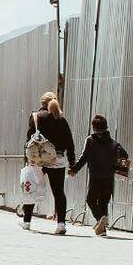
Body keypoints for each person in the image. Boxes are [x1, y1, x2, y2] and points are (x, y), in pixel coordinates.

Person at [21, 91, 76, 234]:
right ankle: (61, 224)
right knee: (58, 192)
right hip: (57, 159)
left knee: (31, 187)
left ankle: (26, 222)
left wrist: (27, 159)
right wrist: (72, 163)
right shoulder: (61, 120)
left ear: (42, 103)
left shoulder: (36, 117)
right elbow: (70, 143)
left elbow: (29, 141)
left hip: (38, 159)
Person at [70, 115, 129, 236]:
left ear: (93, 127)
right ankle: (102, 230)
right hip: (109, 177)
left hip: (95, 177)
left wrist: (74, 170)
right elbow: (125, 155)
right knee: (103, 202)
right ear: (106, 126)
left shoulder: (91, 140)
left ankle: (101, 218)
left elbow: (84, 158)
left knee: (91, 200)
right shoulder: (113, 143)